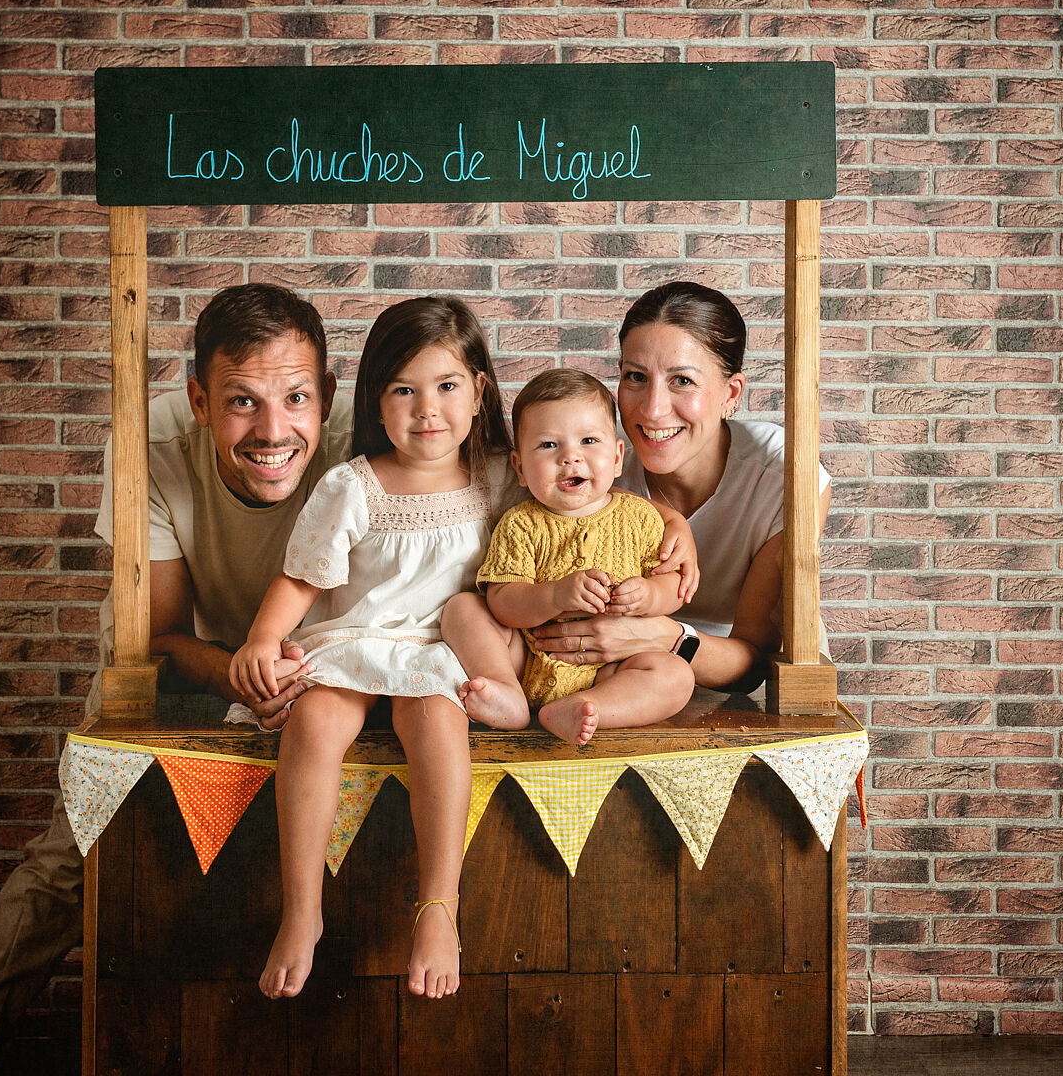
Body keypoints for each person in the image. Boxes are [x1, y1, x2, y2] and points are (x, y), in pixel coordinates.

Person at [0, 283, 350, 1076]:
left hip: (328, 677)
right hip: (185, 665)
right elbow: (159, 635)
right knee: (68, 857)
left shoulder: (371, 432)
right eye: (241, 403)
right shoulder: (147, 444)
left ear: (327, 393)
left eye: (296, 397)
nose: (273, 430)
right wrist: (237, 673)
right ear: (197, 399)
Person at [228, 296, 514, 1002]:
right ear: (375, 403)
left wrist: (666, 519)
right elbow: (302, 577)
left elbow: (591, 490)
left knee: (438, 721)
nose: (428, 410)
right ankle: (302, 910)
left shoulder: (500, 476)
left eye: (447, 386)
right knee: (317, 721)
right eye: (403, 391)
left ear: (479, 392)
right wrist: (264, 637)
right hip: (355, 641)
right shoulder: (352, 484)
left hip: (442, 649)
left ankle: (439, 908)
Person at [531, 281, 832, 691]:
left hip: (743, 685)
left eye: (682, 381)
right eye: (635, 376)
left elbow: (755, 663)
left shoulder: (783, 477)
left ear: (731, 393)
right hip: (616, 682)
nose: (652, 409)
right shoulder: (596, 464)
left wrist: (662, 637)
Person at [460, 369, 696, 745]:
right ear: (520, 468)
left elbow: (674, 583)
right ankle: (507, 693)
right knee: (463, 609)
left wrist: (650, 596)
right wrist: (554, 595)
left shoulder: (640, 518)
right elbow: (502, 602)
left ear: (617, 458)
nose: (571, 457)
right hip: (525, 660)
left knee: (677, 676)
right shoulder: (521, 523)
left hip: (610, 669)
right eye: (548, 445)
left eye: (588, 440)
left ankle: (587, 707)